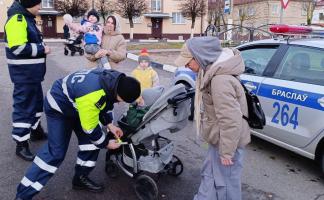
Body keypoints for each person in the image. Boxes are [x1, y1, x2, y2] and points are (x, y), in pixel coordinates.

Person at [15, 68, 141, 200]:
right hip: (59, 108)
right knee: (55, 153)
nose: (120, 102)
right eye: (121, 99)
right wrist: (106, 143)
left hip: (78, 105)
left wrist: (110, 125)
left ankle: (80, 179)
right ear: (118, 92)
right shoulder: (92, 96)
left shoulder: (113, 80)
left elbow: (104, 104)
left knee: (91, 145)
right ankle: (23, 194)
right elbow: (90, 129)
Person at [175, 36, 251, 200]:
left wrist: (226, 153)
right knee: (210, 176)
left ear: (200, 57)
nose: (187, 66)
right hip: (219, 140)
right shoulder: (213, 72)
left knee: (226, 187)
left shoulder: (220, 80)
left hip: (227, 144)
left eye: (189, 62)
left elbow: (231, 121)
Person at [4, 0, 50, 162]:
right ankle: (21, 144)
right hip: (24, 75)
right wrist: (42, 49)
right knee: (24, 108)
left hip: (31, 74)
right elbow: (18, 48)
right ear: (28, 4)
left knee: (36, 104)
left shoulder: (26, 17)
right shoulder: (17, 19)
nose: (40, 7)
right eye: (37, 4)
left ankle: (35, 131)